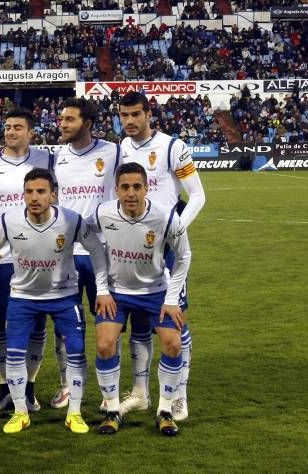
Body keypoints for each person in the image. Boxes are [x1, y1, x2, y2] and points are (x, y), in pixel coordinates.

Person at [0, 168, 112, 434]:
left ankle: (74, 413)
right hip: (22, 298)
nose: (34, 197)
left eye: (41, 191)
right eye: (29, 192)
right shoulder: (9, 221)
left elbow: (97, 252)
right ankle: (20, 413)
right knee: (15, 354)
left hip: (64, 297)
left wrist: (103, 290)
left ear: (53, 195)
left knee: (76, 350)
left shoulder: (71, 221)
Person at [118, 91, 205, 422]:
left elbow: (197, 195)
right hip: (130, 248)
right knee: (140, 320)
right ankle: (140, 393)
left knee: (174, 319)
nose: (129, 121)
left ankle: (179, 396)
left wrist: (175, 230)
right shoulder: (121, 149)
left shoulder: (172, 147)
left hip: (165, 248)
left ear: (148, 114)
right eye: (124, 115)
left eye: (135, 114)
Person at [88, 162, 191, 436]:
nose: (131, 193)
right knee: (105, 344)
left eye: (136, 187)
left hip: (156, 291)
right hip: (117, 293)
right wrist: (101, 289)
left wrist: (171, 298)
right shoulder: (102, 213)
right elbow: (90, 244)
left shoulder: (166, 217)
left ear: (146, 188)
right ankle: (112, 412)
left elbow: (183, 257)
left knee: (173, 345)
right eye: (125, 187)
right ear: (116, 190)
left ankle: (165, 412)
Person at [0, 108, 54, 412]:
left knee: (36, 323)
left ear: (31, 132)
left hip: (38, 256)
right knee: (0, 325)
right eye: (7, 127)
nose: (10, 132)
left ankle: (29, 386)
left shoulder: (46, 160)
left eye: (18, 127)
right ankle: (4, 386)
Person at [53, 97, 121, 410]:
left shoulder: (112, 152)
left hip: (103, 252)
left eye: (69, 119)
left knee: (107, 322)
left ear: (88, 123)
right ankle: (66, 385)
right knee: (64, 323)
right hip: (65, 252)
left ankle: (111, 393)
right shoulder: (56, 155)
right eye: (61, 119)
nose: (62, 124)